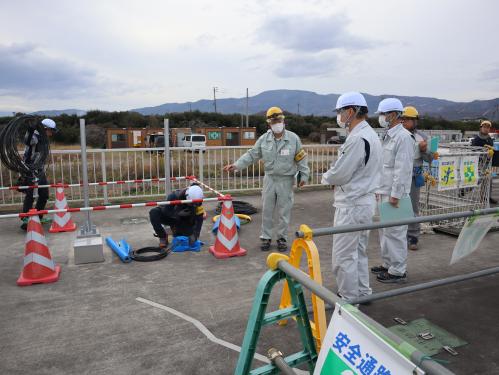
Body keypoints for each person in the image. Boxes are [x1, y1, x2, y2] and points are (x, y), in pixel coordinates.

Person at [321, 92, 382, 301]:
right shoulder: (372, 135)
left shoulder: (357, 138)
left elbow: (340, 173)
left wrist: (326, 178)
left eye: (340, 111)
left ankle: (348, 301)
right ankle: (362, 293)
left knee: (343, 256)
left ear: (350, 111)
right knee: (358, 252)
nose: (338, 116)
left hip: (352, 204)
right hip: (364, 201)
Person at [223, 107, 310, 252]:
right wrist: (236, 165)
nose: (277, 123)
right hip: (270, 179)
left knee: (284, 211)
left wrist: (304, 175)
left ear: (283, 121)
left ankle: (282, 238)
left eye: (279, 120)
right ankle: (266, 237)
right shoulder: (264, 140)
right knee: (267, 211)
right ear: (269, 123)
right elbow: (252, 155)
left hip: (286, 180)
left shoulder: (293, 139)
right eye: (274, 121)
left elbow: (301, 158)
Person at [371, 98, 414, 283]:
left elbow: (402, 169)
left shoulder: (403, 137)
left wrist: (396, 195)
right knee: (385, 231)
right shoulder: (388, 135)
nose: (381, 117)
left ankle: (398, 270)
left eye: (383, 114)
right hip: (384, 191)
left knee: (395, 233)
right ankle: (387, 263)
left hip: (395, 194)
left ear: (394, 115)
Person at [401, 106, 433, 250]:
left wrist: (424, 150)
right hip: (398, 176)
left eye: (407, 119)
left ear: (415, 121)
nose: (404, 122)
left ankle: (413, 236)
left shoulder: (423, 137)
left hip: (415, 176)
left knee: (413, 208)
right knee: (396, 206)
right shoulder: (396, 135)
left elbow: (430, 158)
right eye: (403, 119)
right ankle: (398, 234)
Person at [20, 118, 57, 230]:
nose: (52, 133)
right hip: (29, 169)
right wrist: (31, 130)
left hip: (39, 169)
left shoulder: (44, 139)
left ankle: (38, 217)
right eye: (51, 131)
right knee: (30, 194)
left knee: (44, 194)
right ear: (45, 129)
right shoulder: (35, 136)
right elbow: (27, 141)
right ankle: (26, 218)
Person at [149, 184, 206, 248]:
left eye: (196, 204)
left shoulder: (197, 201)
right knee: (153, 212)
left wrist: (195, 235)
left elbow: (199, 218)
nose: (194, 205)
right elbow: (166, 212)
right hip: (172, 218)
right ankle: (163, 236)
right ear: (187, 197)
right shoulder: (174, 196)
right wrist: (178, 213)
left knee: (182, 238)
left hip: (186, 222)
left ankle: (180, 232)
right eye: (192, 203)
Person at [471, 120, 497, 205]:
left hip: (488, 163)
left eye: (488, 127)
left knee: (488, 180)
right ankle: (464, 190)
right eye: (484, 127)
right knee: (477, 180)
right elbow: (473, 151)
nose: (486, 129)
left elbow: (491, 149)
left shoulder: (490, 139)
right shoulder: (476, 139)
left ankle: (486, 197)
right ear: (481, 128)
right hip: (479, 163)